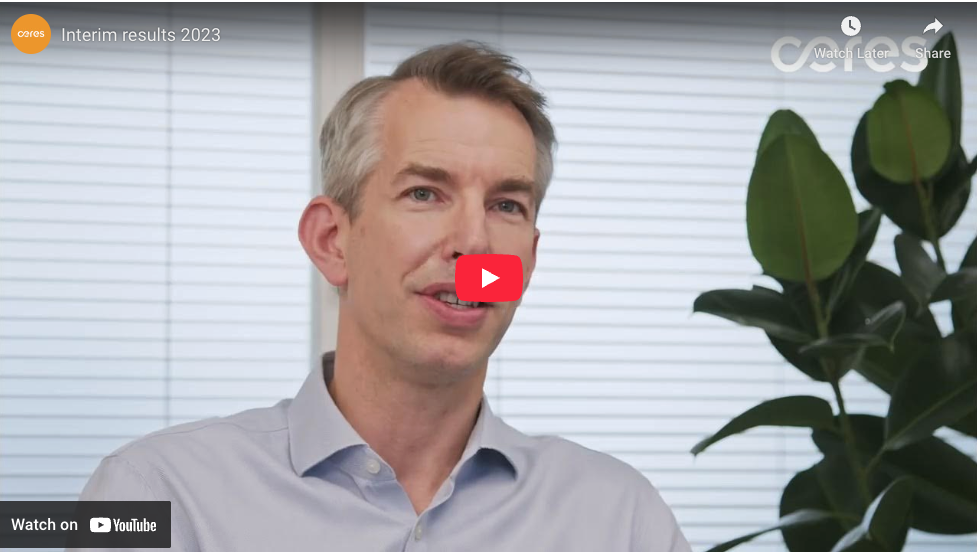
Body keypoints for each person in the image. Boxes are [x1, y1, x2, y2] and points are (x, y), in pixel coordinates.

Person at [75, 42, 691, 551]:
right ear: (331, 241)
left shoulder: (623, 520)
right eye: (424, 193)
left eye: (506, 205)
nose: (474, 244)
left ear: (528, 260)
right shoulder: (154, 494)